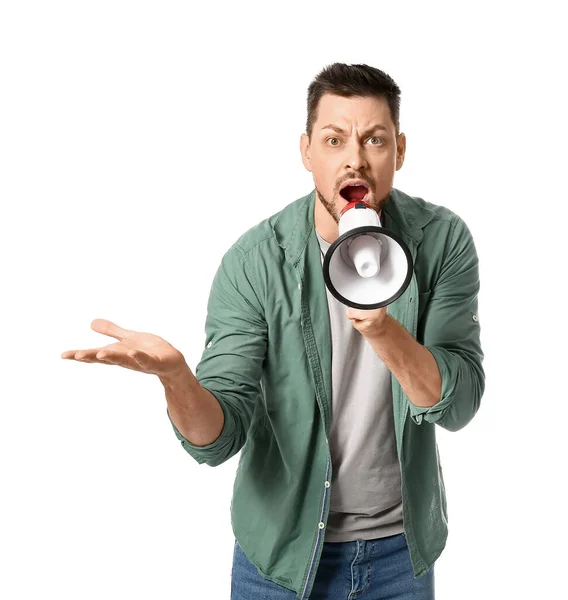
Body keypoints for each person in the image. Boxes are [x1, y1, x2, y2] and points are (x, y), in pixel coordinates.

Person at [61, 62, 485, 600]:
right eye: (334, 140)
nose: (354, 157)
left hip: (402, 555)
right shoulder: (255, 262)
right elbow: (217, 440)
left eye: (374, 140)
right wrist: (176, 378)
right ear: (307, 152)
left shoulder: (440, 241)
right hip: (281, 559)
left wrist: (383, 330)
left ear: (399, 151)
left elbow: (460, 403)